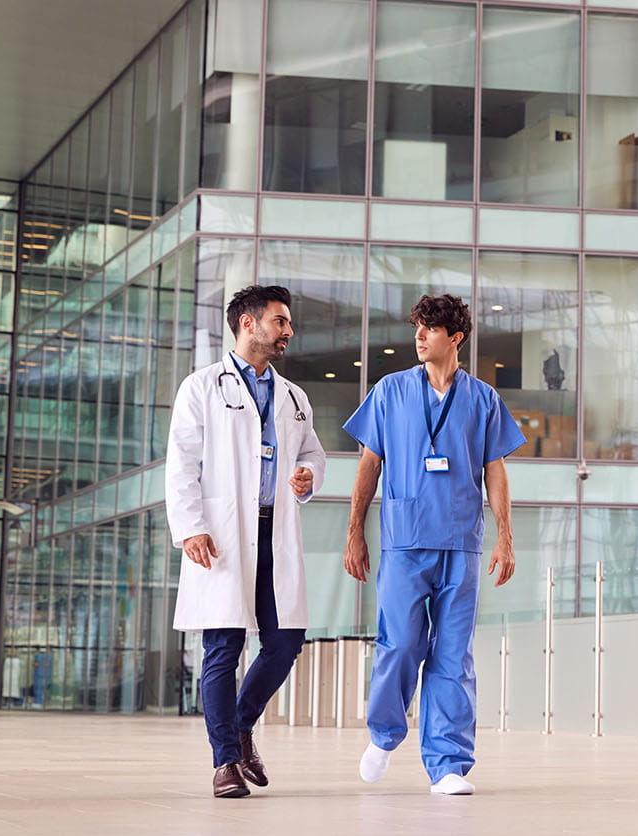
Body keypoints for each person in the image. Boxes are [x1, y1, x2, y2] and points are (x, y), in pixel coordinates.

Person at [343, 293, 525, 796]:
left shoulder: (483, 399)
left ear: (456, 338)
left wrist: (505, 538)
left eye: (429, 329)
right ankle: (383, 734)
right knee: (400, 643)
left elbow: (495, 471)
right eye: (417, 328)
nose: (419, 337)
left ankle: (447, 763)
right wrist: (355, 531)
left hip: (461, 543)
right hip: (404, 541)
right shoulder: (390, 391)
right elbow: (368, 465)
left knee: (452, 655)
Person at [166, 284, 326, 799]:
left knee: (285, 641)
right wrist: (190, 526)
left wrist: (306, 476)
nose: (288, 331)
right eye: (280, 321)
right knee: (223, 646)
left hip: (273, 530)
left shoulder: (294, 397)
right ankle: (225, 762)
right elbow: (181, 464)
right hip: (221, 534)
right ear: (248, 324)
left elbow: (313, 457)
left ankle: (239, 724)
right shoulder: (201, 386)